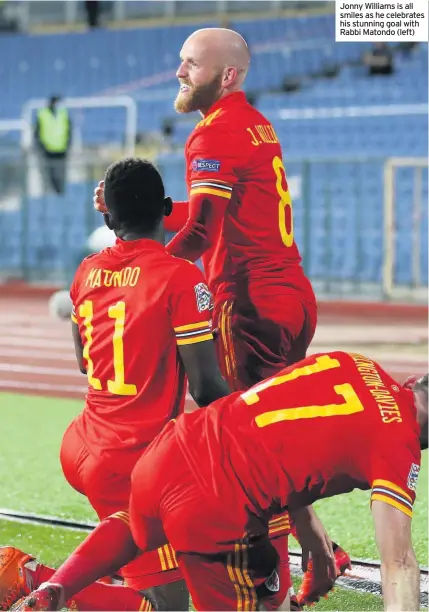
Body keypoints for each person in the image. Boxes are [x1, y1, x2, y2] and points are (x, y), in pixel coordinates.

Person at [93, 27, 347, 605]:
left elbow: (202, 231)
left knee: (249, 452)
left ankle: (271, 589)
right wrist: (139, 210)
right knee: (274, 440)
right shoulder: (252, 122)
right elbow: (217, 208)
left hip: (248, 302)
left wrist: (145, 267)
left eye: (190, 63)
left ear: (226, 75)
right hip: (287, 293)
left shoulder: (212, 134)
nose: (179, 71)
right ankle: (320, 554)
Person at [15, 353, 427, 612]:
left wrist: (315, 538)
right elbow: (399, 563)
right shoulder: (399, 444)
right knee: (262, 604)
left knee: (135, 529)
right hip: (216, 506)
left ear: (414, 382)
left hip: (173, 447)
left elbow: (283, 435)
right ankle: (35, 579)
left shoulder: (352, 362)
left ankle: (54, 586)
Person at [0, 158, 230, 612]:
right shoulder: (181, 278)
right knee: (168, 606)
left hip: (85, 442)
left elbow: (86, 363)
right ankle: (30, 577)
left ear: (107, 216)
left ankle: (103, 571)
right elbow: (206, 390)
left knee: (174, 552)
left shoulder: (86, 271)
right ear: (166, 208)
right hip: (130, 463)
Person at [34, 96, 71, 195]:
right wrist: (41, 148)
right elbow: (37, 133)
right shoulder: (42, 114)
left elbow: (69, 130)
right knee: (49, 175)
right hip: (48, 150)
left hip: (62, 149)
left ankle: (60, 192)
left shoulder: (63, 114)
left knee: (60, 174)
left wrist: (68, 145)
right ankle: (52, 193)